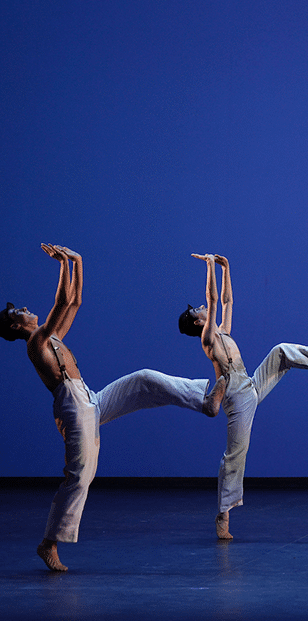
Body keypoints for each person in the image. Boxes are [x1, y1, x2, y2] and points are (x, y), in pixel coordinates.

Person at [3, 244, 225, 572]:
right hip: (73, 407)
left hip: (89, 398)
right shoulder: (37, 342)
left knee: (144, 379)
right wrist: (64, 263)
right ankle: (48, 543)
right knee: (80, 477)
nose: (24, 308)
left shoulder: (52, 338)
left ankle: (206, 401)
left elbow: (74, 302)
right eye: (17, 311)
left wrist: (77, 260)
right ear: (13, 327)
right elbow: (62, 301)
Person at [179, 254, 308, 540]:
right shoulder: (208, 339)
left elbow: (228, 302)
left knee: (280, 351)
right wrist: (209, 266)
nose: (203, 306)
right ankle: (223, 516)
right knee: (235, 456)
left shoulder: (222, 331)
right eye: (198, 310)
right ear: (197, 324)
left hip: (251, 384)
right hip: (236, 397)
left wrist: (227, 267)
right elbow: (216, 300)